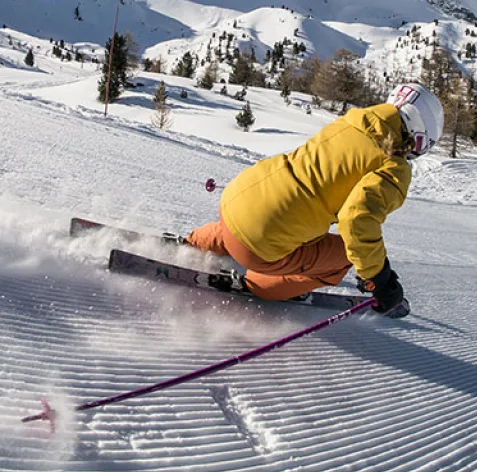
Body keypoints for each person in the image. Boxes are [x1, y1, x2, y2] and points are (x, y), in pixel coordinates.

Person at [187, 83, 444, 318]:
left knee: (262, 216)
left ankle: (192, 243)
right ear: (420, 136)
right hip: (260, 242)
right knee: (342, 257)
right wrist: (378, 277)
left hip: (238, 196)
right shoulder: (393, 166)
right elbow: (357, 221)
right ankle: (259, 285)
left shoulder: (351, 123)